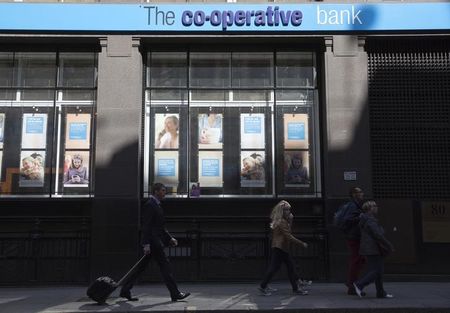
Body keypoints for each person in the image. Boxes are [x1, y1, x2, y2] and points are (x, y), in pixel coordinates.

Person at [119, 183, 190, 302]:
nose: (164, 192)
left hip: (154, 242)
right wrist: (146, 244)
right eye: (163, 190)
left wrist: (169, 238)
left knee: (141, 268)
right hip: (153, 243)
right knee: (165, 267)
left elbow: (160, 227)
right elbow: (146, 226)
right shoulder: (150, 205)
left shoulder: (156, 205)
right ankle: (175, 293)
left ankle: (125, 290)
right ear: (156, 191)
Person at [258, 200, 309, 296]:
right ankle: (263, 286)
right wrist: (302, 243)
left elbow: (288, 232)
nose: (289, 212)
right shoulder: (281, 222)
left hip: (281, 247)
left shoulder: (282, 221)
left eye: (289, 210)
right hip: (280, 248)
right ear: (281, 211)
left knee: (290, 268)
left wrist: (290, 220)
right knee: (278, 268)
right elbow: (289, 236)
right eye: (286, 210)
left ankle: (296, 287)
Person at [353, 200, 395, 299]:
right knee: (377, 271)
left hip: (369, 248)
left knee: (378, 271)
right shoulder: (370, 220)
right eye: (374, 206)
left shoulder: (365, 219)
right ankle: (360, 284)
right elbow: (377, 235)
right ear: (370, 209)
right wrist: (389, 245)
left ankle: (380, 293)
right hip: (373, 248)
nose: (377, 207)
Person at [342, 187, 366, 296]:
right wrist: (360, 217)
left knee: (359, 260)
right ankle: (352, 285)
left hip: (355, 235)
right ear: (354, 194)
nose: (362, 193)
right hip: (353, 236)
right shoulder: (352, 205)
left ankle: (352, 283)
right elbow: (347, 219)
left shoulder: (355, 205)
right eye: (360, 192)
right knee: (356, 260)